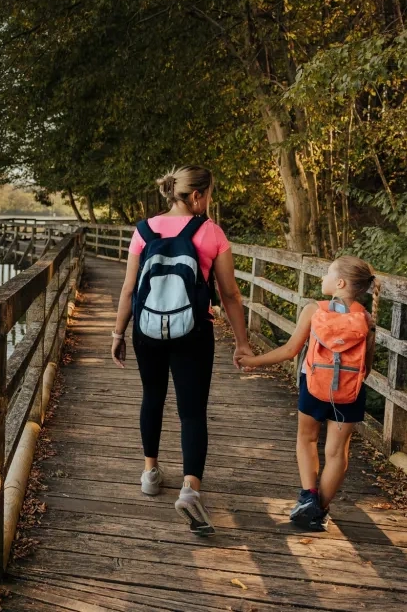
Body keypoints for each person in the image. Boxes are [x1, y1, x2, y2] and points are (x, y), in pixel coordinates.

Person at [111, 165, 251, 535]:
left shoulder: (143, 231)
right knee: (191, 411)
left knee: (152, 397)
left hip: (146, 330)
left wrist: (117, 333)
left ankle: (149, 473)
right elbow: (230, 294)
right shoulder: (210, 232)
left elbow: (128, 289)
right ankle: (191, 488)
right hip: (193, 331)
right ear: (197, 196)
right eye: (208, 195)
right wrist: (242, 342)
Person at [239, 256, 379, 531]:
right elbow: (367, 366)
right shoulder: (365, 317)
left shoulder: (314, 309)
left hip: (314, 385)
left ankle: (308, 498)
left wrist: (252, 361)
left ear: (340, 283)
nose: (322, 278)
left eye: (328, 273)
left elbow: (290, 350)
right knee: (338, 452)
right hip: (351, 391)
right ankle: (319, 511)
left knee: (307, 439)